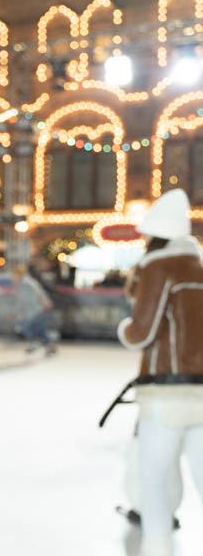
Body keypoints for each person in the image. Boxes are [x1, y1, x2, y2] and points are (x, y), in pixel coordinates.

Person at [117, 189, 203, 556]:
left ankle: (158, 549)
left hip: (165, 395)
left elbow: (141, 332)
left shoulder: (158, 267)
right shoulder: (199, 267)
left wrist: (124, 327)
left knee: (154, 484)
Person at [13, 264, 57, 356]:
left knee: (26, 326)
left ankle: (35, 343)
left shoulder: (27, 282)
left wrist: (46, 303)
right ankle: (50, 347)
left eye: (15, 274)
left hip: (37, 310)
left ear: (19, 274)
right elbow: (22, 299)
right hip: (32, 311)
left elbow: (39, 293)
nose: (13, 277)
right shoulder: (22, 283)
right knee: (39, 330)